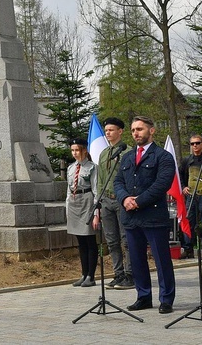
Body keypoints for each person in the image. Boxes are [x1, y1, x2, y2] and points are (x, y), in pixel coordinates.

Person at [114, 116, 176, 314]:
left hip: (153, 215)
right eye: (133, 130)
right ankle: (143, 296)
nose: (135, 133)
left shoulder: (163, 156)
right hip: (131, 218)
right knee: (137, 259)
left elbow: (162, 184)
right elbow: (118, 182)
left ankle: (166, 299)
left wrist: (137, 201)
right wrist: (125, 199)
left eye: (139, 129)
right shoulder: (127, 157)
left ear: (152, 131)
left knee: (161, 259)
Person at [94, 117, 134, 290]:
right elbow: (101, 179)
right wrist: (99, 201)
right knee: (111, 241)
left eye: (111, 130)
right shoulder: (104, 153)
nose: (108, 133)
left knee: (126, 240)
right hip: (106, 200)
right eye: (106, 130)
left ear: (120, 131)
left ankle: (130, 274)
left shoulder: (128, 152)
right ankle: (118, 274)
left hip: (121, 200)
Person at [66, 138, 98, 287]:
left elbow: (96, 190)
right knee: (81, 242)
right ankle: (83, 273)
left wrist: (96, 213)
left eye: (77, 150)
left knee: (90, 240)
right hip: (74, 202)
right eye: (72, 150)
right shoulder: (71, 168)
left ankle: (91, 276)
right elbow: (68, 189)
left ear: (84, 150)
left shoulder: (92, 167)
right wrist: (67, 208)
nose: (74, 153)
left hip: (87, 201)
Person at [179, 133, 202, 260]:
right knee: (188, 222)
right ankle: (188, 249)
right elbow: (180, 176)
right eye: (192, 143)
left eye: (197, 143)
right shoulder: (186, 160)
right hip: (190, 196)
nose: (195, 146)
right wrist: (183, 186)